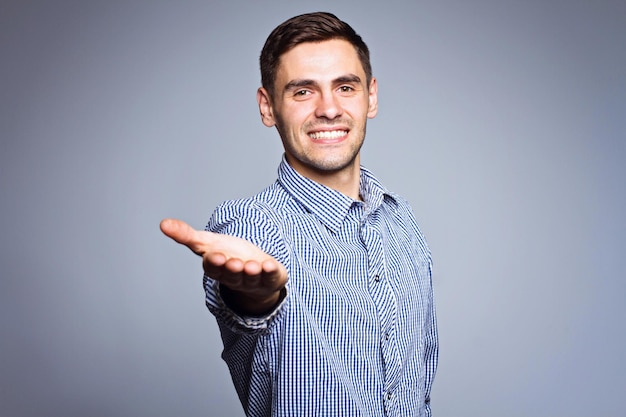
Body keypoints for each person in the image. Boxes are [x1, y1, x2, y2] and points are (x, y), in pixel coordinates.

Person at [161, 12, 438, 417]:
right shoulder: (253, 226)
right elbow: (246, 290)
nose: (328, 109)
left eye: (345, 87)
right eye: (303, 92)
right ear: (268, 106)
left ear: (371, 97)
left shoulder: (400, 219)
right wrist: (254, 294)